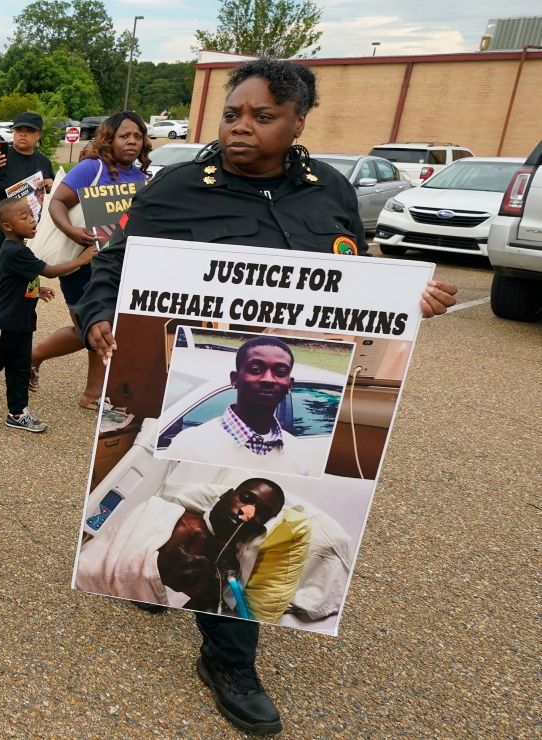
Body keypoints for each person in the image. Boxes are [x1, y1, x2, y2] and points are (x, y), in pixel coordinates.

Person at [76, 58, 459, 735]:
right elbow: (116, 260)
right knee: (164, 490)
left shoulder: (329, 191)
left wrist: (405, 298)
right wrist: (100, 313)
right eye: (232, 114)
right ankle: (151, 575)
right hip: (190, 383)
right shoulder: (177, 188)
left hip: (290, 401)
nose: (240, 128)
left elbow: (353, 280)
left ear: (297, 122)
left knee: (242, 516)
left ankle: (227, 659)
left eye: (261, 116)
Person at [29, 112, 151, 409]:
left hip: (115, 265)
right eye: (125, 136)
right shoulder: (90, 169)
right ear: (110, 139)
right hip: (81, 263)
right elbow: (58, 202)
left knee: (103, 328)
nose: (132, 141)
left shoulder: (141, 178)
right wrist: (73, 231)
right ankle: (31, 358)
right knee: (89, 331)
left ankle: (93, 394)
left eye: (137, 136)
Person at [0, 198, 95, 433]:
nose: (32, 220)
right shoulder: (13, 250)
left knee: (19, 368)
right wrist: (81, 260)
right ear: (7, 226)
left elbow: (18, 281)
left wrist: (38, 291)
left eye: (31, 214)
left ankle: (17, 413)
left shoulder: (21, 250)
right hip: (3, 323)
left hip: (23, 323)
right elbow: (47, 270)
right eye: (24, 217)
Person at [75, 479, 283, 611]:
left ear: (261, 526)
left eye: (261, 512)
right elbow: (104, 565)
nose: (247, 512)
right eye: (245, 498)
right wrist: (157, 568)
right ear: (226, 495)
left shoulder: (229, 569)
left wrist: (205, 588)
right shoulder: (163, 514)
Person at [164, 336, 314, 475]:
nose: (268, 379)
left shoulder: (299, 454)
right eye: (255, 370)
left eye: (280, 372)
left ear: (290, 385)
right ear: (234, 379)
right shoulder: (189, 446)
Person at [0, 111, 54, 343]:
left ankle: (12, 330)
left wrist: (52, 185)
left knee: (25, 288)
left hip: (29, 238)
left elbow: (51, 196)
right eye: (18, 130)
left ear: (38, 135)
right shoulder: (0, 158)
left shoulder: (43, 162)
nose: (22, 135)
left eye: (29, 131)